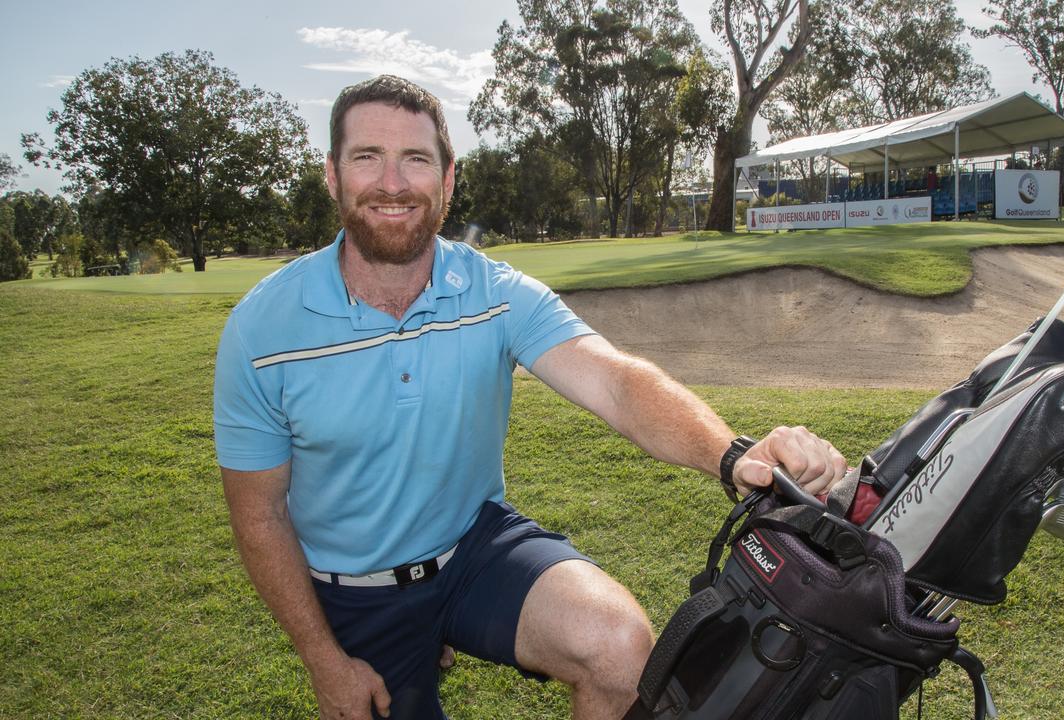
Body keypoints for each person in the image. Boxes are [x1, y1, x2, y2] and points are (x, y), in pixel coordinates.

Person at [213, 75, 847, 720]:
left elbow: (617, 381)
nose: (393, 183)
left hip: (471, 546)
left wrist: (732, 453)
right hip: (355, 591)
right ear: (332, 174)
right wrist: (325, 661)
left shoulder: (493, 291)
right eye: (367, 156)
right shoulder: (264, 328)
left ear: (449, 177)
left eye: (416, 159)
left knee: (618, 647)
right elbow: (259, 514)